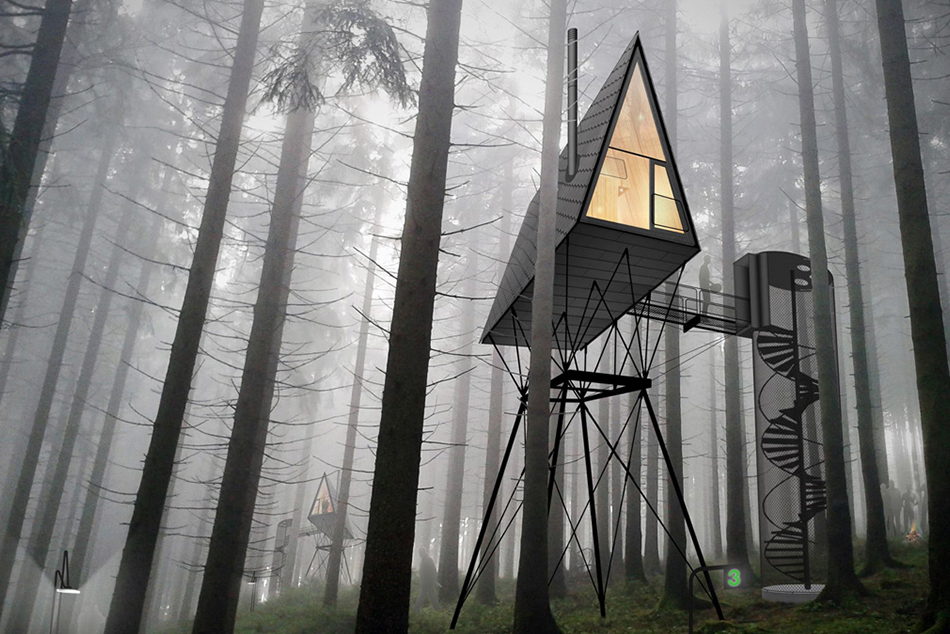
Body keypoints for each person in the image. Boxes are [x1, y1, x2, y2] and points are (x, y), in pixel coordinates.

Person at [415, 546, 440, 611]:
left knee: (431, 596)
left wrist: (433, 580)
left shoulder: (428, 560)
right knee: (428, 596)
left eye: (421, 553)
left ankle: (416, 609)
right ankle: (437, 609)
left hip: (428, 583)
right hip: (425, 583)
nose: (420, 554)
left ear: (424, 552)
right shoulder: (425, 560)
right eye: (419, 553)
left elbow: (433, 571)